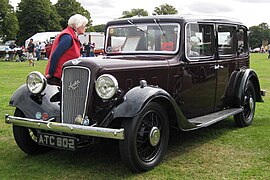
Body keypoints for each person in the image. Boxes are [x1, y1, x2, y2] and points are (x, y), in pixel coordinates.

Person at [45, 14, 88, 86]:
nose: (85, 28)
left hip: (65, 75)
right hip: (58, 77)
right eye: (83, 25)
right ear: (77, 26)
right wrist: (50, 73)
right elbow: (55, 55)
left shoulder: (70, 36)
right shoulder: (67, 37)